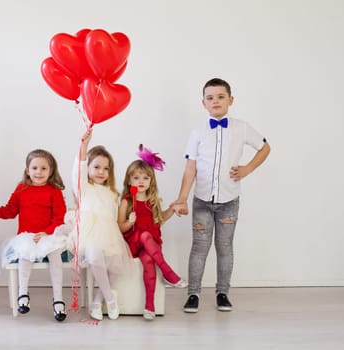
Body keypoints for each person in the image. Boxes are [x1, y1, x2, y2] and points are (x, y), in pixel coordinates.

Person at [176, 78, 271, 313]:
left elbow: (265, 147)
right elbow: (190, 169)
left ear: (230, 100)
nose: (215, 101)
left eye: (220, 96)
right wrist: (182, 198)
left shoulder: (241, 127)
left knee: (225, 247)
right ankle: (193, 294)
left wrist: (247, 168)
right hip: (202, 201)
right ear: (203, 103)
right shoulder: (198, 132)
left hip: (229, 201)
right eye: (210, 98)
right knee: (199, 247)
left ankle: (222, 293)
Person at [0, 149, 69, 322]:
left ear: (51, 171)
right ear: (27, 170)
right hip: (26, 236)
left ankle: (58, 300)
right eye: (34, 168)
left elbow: (60, 216)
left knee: (55, 255)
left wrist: (47, 232)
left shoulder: (54, 191)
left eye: (43, 168)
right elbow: (10, 211)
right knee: (24, 253)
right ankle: (23, 295)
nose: (39, 172)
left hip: (48, 234)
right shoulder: (22, 189)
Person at [118, 145, 188, 320]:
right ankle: (168, 272)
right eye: (136, 178)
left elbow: (159, 220)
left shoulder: (153, 201)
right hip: (134, 241)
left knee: (149, 261)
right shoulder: (127, 202)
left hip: (150, 246)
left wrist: (171, 210)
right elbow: (120, 227)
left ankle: (149, 306)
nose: (141, 181)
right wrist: (129, 222)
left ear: (151, 181)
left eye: (145, 178)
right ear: (129, 181)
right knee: (144, 235)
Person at [71, 129, 131, 321]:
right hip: (88, 233)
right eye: (96, 167)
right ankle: (110, 300)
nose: (101, 172)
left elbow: (113, 219)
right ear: (88, 168)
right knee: (95, 255)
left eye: (106, 169)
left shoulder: (113, 193)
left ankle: (98, 301)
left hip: (110, 233)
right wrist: (84, 146)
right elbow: (77, 170)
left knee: (116, 265)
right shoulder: (84, 188)